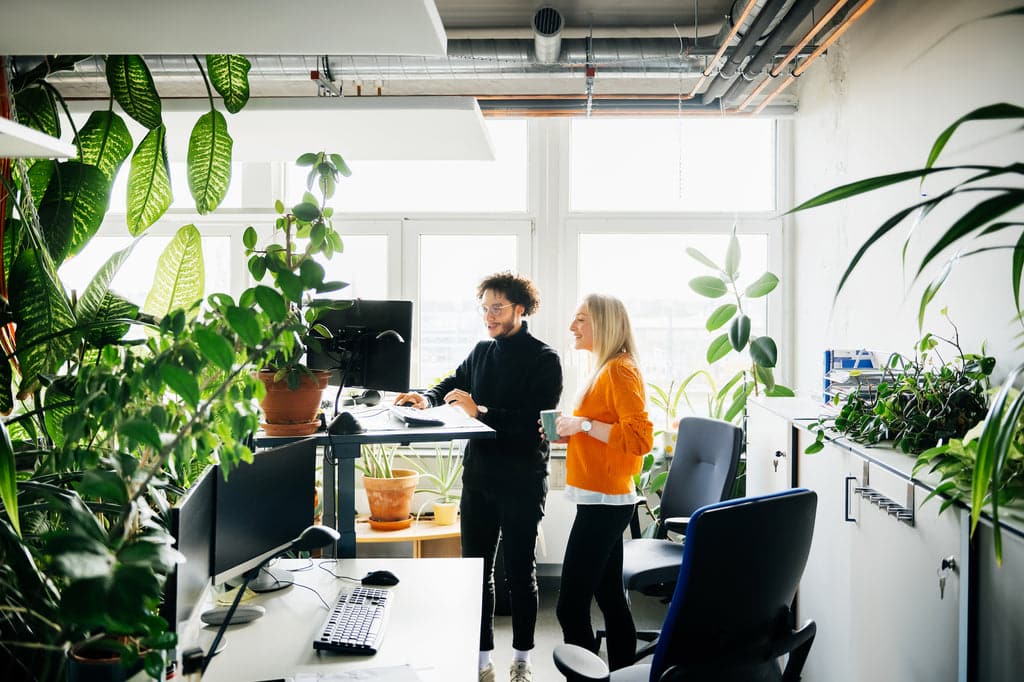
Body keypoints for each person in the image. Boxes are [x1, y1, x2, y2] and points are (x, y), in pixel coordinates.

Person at [394, 271, 562, 682]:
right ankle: (481, 660)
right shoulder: (482, 351)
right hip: (480, 476)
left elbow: (532, 425)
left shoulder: (545, 359)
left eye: (497, 308)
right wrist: (427, 396)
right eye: (485, 308)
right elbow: (454, 384)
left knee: (520, 573)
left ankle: (522, 661)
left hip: (522, 478)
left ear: (521, 309)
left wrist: (481, 411)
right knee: (476, 571)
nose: (489, 315)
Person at [547, 293, 653, 671]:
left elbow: (640, 439)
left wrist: (585, 425)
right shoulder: (605, 368)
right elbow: (605, 431)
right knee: (609, 596)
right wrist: (572, 431)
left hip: (607, 501)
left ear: (603, 324)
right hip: (602, 497)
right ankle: (622, 674)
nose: (572, 327)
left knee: (569, 606)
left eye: (580, 320)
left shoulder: (619, 370)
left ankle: (586, 676)